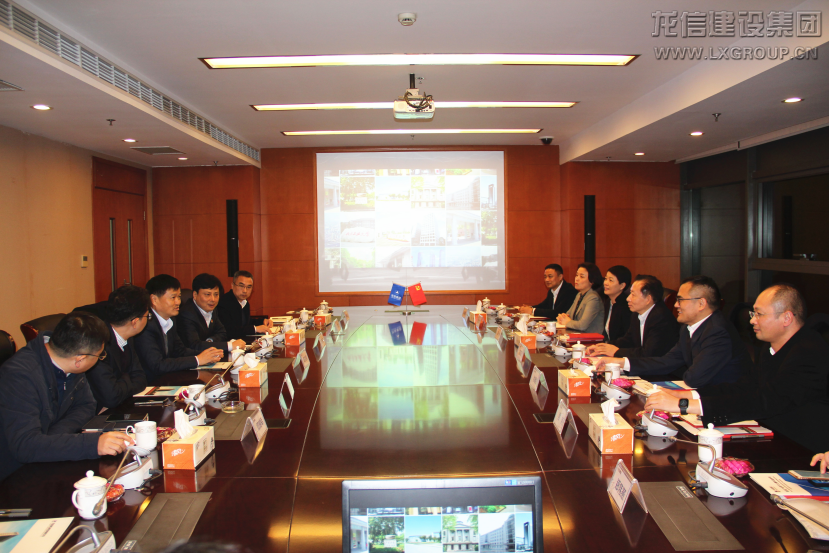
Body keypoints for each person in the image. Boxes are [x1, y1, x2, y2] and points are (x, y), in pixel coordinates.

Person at [644, 284, 828, 452]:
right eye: (753, 314)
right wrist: (686, 395)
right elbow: (745, 386)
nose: (752, 321)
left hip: (801, 450)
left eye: (759, 314)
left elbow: (766, 400)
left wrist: (683, 406)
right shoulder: (771, 347)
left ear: (786, 318)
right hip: (771, 438)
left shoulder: (809, 352)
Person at [0, 313, 134, 482]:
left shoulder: (68, 358)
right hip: (16, 476)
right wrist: (93, 444)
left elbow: (86, 405)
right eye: (100, 356)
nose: (100, 360)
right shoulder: (19, 376)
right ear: (80, 360)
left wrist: (51, 439)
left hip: (50, 457)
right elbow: (25, 446)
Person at [596, 275, 750, 388]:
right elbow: (667, 361)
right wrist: (622, 362)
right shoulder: (688, 328)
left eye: (680, 300)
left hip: (723, 405)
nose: (676, 305)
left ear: (701, 303)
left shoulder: (717, 332)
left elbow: (694, 378)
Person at [73, 285, 151, 412]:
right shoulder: (98, 343)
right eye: (147, 316)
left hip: (122, 405)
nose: (148, 320)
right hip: (98, 413)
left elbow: (141, 378)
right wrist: (128, 378)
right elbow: (111, 397)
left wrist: (121, 381)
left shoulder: (128, 337)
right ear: (135, 322)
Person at [135, 274, 223, 384]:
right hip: (150, 384)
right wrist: (198, 359)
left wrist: (207, 354)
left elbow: (180, 351)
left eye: (179, 297)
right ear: (154, 299)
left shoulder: (170, 320)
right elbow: (158, 365)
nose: (178, 302)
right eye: (173, 297)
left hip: (168, 378)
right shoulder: (145, 325)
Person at [587, 275, 679, 359]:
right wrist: (603, 346)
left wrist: (616, 352)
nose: (628, 298)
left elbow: (649, 353)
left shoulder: (661, 318)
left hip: (663, 369)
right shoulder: (637, 313)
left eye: (633, 295)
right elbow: (628, 340)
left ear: (648, 299)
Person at [178, 273, 246, 352]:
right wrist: (230, 345)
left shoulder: (212, 309)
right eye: (207, 294)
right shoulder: (187, 314)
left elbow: (222, 333)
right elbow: (194, 345)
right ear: (195, 295)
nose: (213, 299)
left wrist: (210, 341)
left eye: (216, 294)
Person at [215, 270, 272, 341]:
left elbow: (246, 323)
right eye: (241, 286)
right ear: (232, 285)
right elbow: (229, 330)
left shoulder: (244, 303)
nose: (245, 291)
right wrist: (255, 329)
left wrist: (262, 321)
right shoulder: (223, 303)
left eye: (249, 287)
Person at [557, 262, 605, 333]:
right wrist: (562, 317)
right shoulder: (579, 295)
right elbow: (568, 314)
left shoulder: (593, 298)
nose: (577, 279)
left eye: (582, 276)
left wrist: (567, 321)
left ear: (592, 281)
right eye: (576, 275)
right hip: (577, 334)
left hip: (590, 337)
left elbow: (582, 325)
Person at [602, 265, 632, 342]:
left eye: (611, 280)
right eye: (605, 279)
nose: (605, 283)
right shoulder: (608, 302)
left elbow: (627, 338)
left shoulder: (627, 306)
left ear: (622, 285)